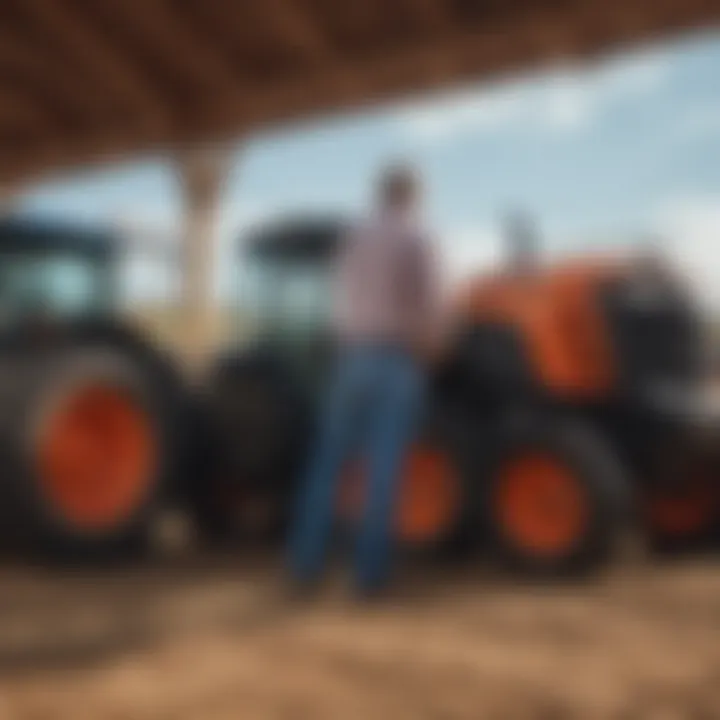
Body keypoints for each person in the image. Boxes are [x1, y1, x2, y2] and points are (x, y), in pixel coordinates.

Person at [287, 163, 441, 597]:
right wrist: (432, 349)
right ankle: (368, 577)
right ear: (413, 194)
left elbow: (342, 294)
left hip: (350, 359)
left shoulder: (353, 237)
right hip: (394, 359)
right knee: (383, 470)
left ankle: (305, 565)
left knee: (326, 465)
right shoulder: (416, 236)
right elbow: (428, 305)